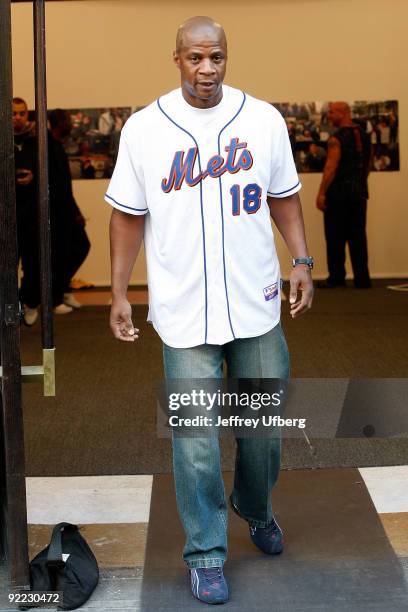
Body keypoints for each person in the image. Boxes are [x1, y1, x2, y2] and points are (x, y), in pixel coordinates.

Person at [107, 16, 314, 605]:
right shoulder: (145, 129)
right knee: (195, 440)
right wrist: (119, 291)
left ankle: (254, 503)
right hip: (183, 314)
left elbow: (284, 196)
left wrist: (301, 259)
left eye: (216, 58)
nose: (206, 69)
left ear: (227, 58)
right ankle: (205, 551)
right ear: (176, 59)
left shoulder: (264, 119)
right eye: (195, 58)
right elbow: (126, 214)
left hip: (256, 306)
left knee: (263, 431)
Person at [316, 101, 372, 288]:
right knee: (358, 237)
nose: (329, 116)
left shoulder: (336, 138)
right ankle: (362, 279)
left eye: (332, 112)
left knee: (335, 238)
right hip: (359, 195)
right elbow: (368, 165)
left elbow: (331, 167)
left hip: (338, 196)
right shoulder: (364, 135)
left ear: (342, 113)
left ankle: (337, 278)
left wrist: (322, 192)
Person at [48, 108, 91, 308]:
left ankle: (63, 290)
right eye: (67, 120)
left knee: (79, 247)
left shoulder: (56, 145)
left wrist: (75, 211)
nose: (72, 124)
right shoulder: (49, 146)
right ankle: (55, 298)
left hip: (66, 211)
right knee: (63, 253)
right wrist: (75, 213)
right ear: (58, 123)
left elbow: (64, 186)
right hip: (57, 213)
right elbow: (58, 187)